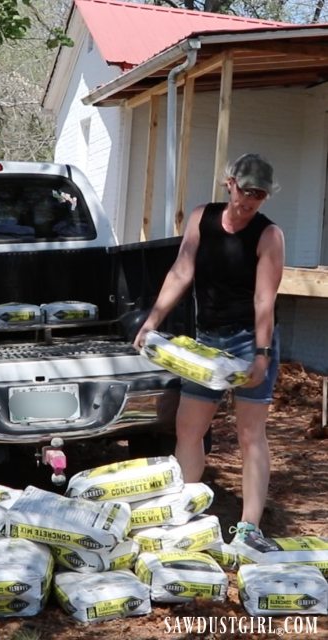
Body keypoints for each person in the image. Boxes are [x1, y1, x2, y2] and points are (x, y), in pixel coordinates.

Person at [133, 153, 285, 542]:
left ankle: (250, 527)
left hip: (250, 340)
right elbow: (182, 271)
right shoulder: (202, 218)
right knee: (189, 428)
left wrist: (262, 354)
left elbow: (264, 301)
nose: (249, 200)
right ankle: (182, 511)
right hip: (206, 342)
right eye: (245, 189)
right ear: (229, 182)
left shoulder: (269, 236)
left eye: (259, 194)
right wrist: (151, 322)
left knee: (250, 433)